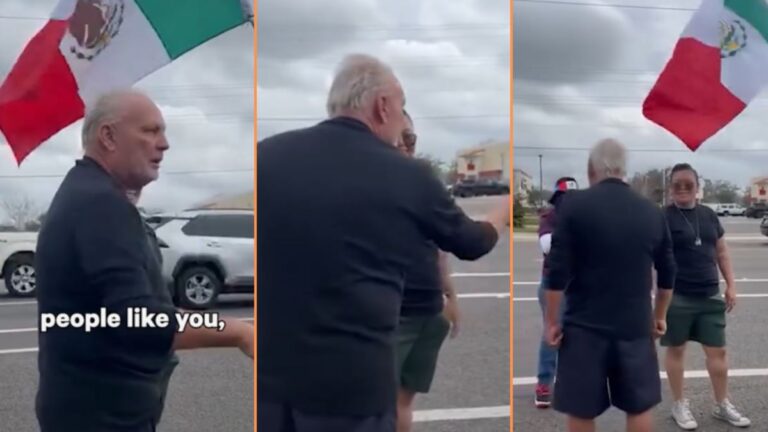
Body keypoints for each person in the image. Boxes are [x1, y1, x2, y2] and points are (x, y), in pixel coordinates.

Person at [257, 54, 509, 432]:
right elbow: (471, 242)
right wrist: (503, 212)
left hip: (272, 386)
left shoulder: (266, 155)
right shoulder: (408, 175)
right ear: (382, 106)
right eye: (402, 106)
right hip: (354, 390)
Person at [34, 89, 254, 432]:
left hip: (79, 408)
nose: (164, 143)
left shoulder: (86, 195)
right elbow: (143, 321)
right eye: (150, 131)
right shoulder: (100, 206)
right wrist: (238, 331)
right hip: (102, 418)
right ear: (108, 136)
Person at [545, 138, 677, 432]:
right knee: (638, 405)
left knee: (581, 409)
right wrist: (659, 316)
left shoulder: (574, 206)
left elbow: (557, 271)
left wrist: (552, 322)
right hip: (634, 325)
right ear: (623, 169)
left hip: (583, 326)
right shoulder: (650, 211)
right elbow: (668, 272)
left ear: (591, 170)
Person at [661, 163, 750, 429]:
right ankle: (679, 404)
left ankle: (722, 404)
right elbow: (649, 257)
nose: (683, 189)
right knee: (677, 350)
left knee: (718, 352)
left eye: (689, 184)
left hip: (710, 296)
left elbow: (721, 252)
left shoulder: (709, 215)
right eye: (677, 184)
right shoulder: (663, 217)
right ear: (670, 188)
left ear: (698, 188)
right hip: (677, 296)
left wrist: (731, 285)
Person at [393, 111, 461, 432]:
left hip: (420, 311)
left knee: (398, 401)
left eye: (412, 139)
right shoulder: (373, 182)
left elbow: (440, 248)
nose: (408, 146)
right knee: (388, 403)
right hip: (393, 311)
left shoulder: (421, 183)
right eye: (402, 137)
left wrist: (450, 296)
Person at [534, 176, 578, 408]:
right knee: (552, 332)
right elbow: (547, 245)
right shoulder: (550, 218)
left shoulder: (582, 219)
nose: (568, 202)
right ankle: (544, 383)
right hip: (553, 286)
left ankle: (570, 382)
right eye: (564, 197)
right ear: (557, 198)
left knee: (577, 336)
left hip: (578, 284)